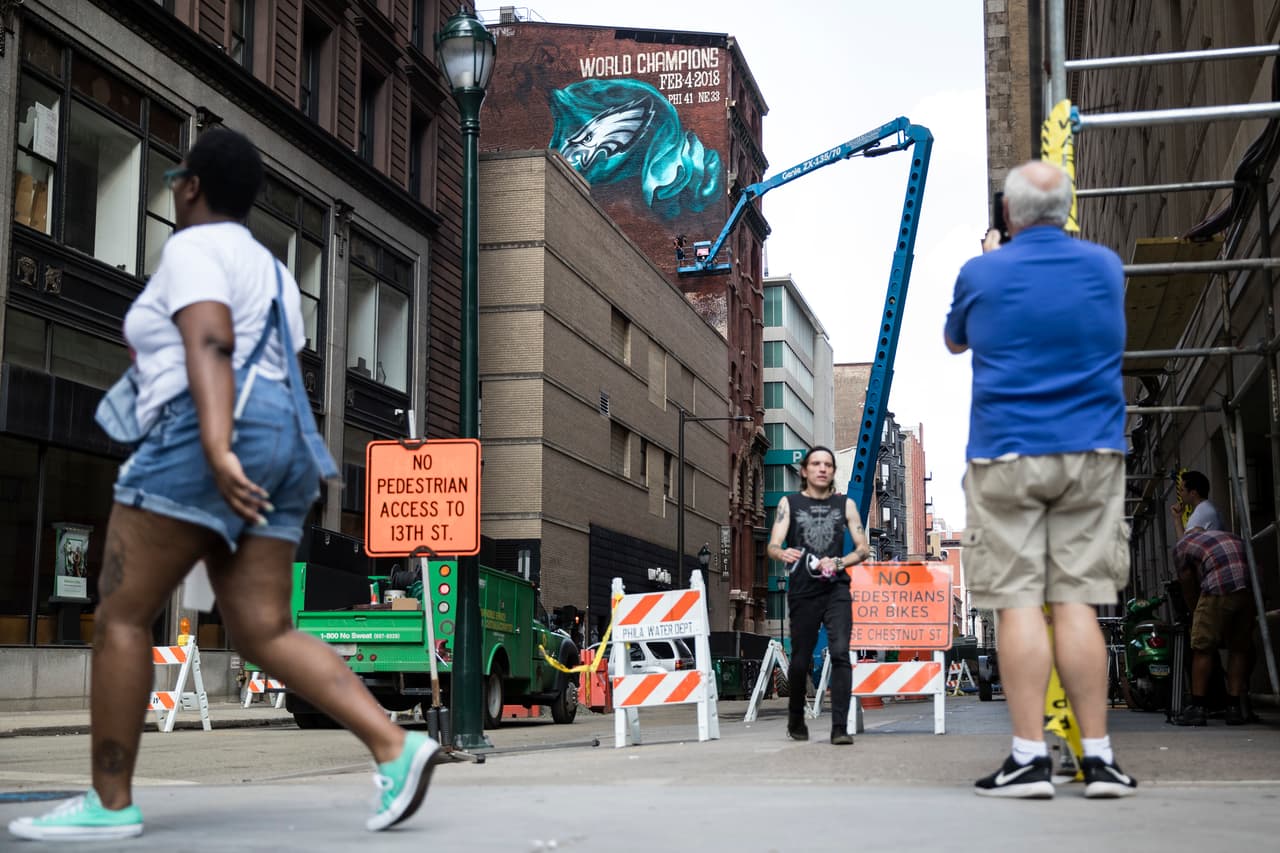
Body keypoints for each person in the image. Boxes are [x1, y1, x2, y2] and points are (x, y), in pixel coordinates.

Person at [9, 129, 442, 843]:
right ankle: (396, 747)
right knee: (264, 628)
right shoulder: (272, 271)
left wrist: (214, 442)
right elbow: (275, 358)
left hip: (212, 425)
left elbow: (210, 339)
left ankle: (110, 802)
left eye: (179, 180)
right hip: (287, 435)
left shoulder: (192, 247)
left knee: (120, 613)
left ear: (190, 187)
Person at [945, 160, 1137, 799]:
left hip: (1006, 455)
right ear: (1066, 212)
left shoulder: (982, 272)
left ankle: (1029, 760)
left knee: (1020, 603)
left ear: (1008, 214)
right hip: (1092, 453)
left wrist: (989, 258)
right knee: (1077, 600)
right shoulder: (1105, 267)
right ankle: (1101, 760)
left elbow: (956, 341)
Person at [766, 446, 871, 746]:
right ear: (804, 471)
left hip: (836, 588)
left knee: (840, 653)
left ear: (833, 472)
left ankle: (840, 727)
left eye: (828, 464)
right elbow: (773, 544)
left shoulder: (846, 505)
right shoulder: (790, 503)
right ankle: (796, 718)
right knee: (799, 660)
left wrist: (839, 562)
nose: (822, 468)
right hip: (803, 590)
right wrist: (781, 551)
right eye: (816, 464)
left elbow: (863, 548)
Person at [1171, 528, 1256, 726]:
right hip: (1248, 587)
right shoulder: (1226, 536)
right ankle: (1234, 708)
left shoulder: (1182, 546)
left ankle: (1198, 707)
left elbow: (1186, 579)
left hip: (1220, 586)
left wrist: (1194, 611)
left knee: (1202, 645)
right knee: (1239, 647)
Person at [1172, 469, 1221, 539]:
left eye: (1182, 490)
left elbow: (1185, 547)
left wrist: (1177, 519)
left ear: (1193, 493)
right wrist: (1177, 517)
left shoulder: (1200, 514)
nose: (1180, 494)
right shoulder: (1209, 508)